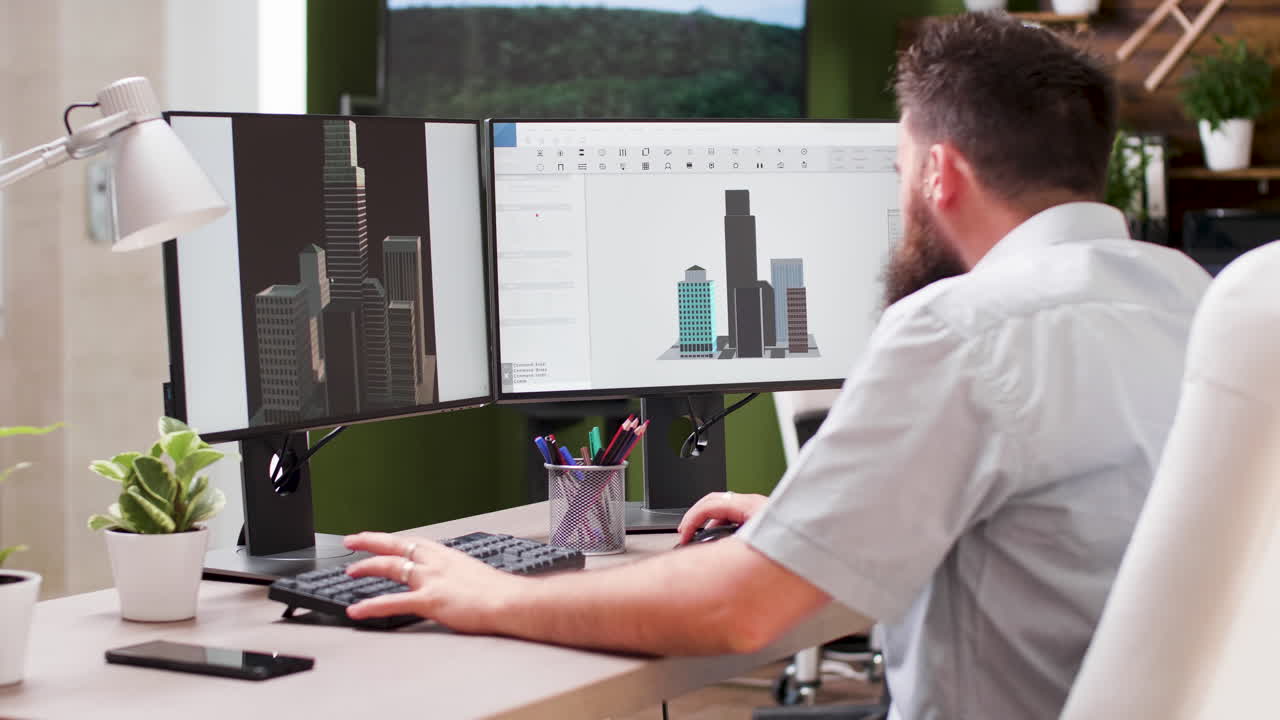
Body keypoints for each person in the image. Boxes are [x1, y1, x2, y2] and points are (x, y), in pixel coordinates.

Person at [342, 13, 1212, 719]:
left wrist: (490, 596)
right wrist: (818, 523)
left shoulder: (960, 329)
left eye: (900, 170)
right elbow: (1075, 526)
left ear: (939, 174)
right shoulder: (1190, 301)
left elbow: (739, 611)